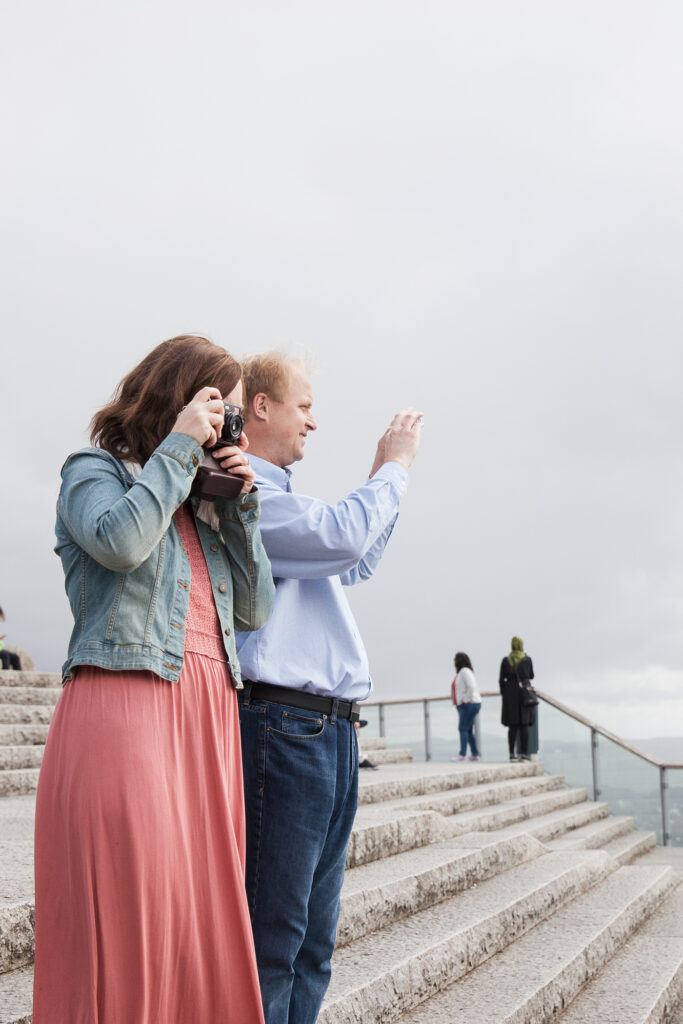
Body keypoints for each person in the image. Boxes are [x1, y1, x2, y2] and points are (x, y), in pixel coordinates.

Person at [33, 334, 275, 1024]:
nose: (225, 422)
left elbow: (256, 610)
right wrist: (175, 450)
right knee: (129, 913)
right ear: (174, 395)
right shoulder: (96, 470)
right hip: (126, 704)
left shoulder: (202, 505)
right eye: (216, 405)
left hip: (209, 718)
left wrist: (239, 507)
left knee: (197, 921)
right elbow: (117, 541)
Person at [229, 351, 423, 1024]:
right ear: (260, 406)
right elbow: (344, 540)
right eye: (303, 404)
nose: (313, 420)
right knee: (275, 942)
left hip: (326, 729)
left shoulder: (285, 499)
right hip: (283, 725)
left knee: (313, 942)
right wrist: (393, 467)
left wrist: (383, 478)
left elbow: (356, 554)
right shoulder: (239, 491)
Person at [499, 635, 536, 761]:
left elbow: (501, 680)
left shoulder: (505, 660)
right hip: (524, 692)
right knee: (524, 724)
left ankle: (511, 753)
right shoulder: (527, 659)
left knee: (513, 725)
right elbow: (531, 675)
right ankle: (524, 753)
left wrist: (505, 692)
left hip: (510, 694)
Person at [450, 651, 481, 761]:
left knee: (462, 728)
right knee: (468, 729)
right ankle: (475, 754)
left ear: (459, 661)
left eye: (455, 659)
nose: (453, 662)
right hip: (467, 704)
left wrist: (464, 700)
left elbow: (472, 687)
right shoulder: (462, 672)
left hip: (469, 704)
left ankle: (462, 754)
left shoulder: (465, 671)